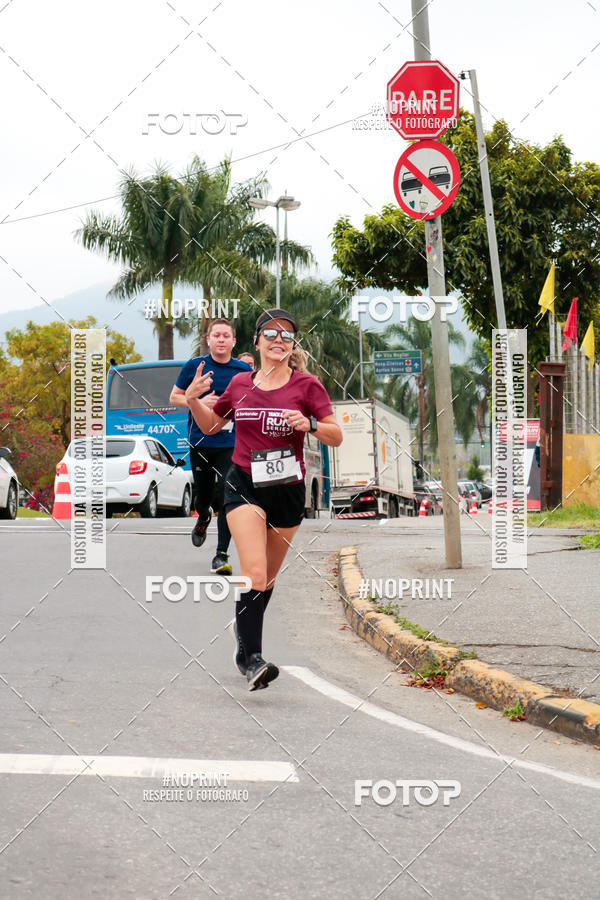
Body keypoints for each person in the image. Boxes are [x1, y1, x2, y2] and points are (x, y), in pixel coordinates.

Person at [184, 308, 342, 691]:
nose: (278, 340)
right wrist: (193, 401)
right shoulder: (240, 383)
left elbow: (335, 435)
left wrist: (311, 424)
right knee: (254, 573)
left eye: (286, 335)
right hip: (244, 484)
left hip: (287, 490)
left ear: (293, 345)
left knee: (267, 579)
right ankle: (252, 659)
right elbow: (212, 425)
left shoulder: (308, 387)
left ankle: (242, 637)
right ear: (256, 342)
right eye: (270, 333)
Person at [169, 319, 251, 574]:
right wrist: (198, 402)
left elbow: (253, 400)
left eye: (226, 335)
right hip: (201, 441)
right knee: (203, 497)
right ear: (208, 340)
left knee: (228, 494)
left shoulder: (243, 370)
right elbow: (174, 397)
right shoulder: (195, 366)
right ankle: (203, 515)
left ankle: (221, 555)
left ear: (234, 341)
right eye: (216, 335)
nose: (221, 339)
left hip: (231, 443)